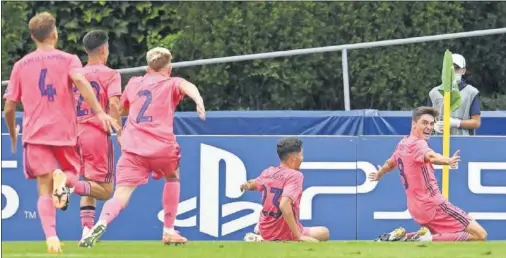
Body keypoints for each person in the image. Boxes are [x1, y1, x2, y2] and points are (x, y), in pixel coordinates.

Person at [2, 12, 120, 253]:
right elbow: (82, 83)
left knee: (44, 189)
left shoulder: (20, 65)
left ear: (32, 36)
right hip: (68, 132)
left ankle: (52, 237)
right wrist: (99, 112)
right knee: (90, 184)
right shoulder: (69, 60)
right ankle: (67, 184)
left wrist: (14, 134)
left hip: (37, 133)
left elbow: (9, 107)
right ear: (55, 34)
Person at [79, 47, 206, 248]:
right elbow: (187, 86)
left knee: (121, 194)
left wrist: (119, 128)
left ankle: (101, 223)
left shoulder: (134, 83)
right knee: (172, 176)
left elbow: (121, 108)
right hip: (161, 147)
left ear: (148, 66)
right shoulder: (171, 82)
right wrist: (198, 100)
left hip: (133, 148)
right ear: (169, 67)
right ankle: (168, 230)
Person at [368, 106, 487, 242]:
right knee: (480, 235)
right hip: (433, 205)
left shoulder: (403, 143)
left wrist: (379, 174)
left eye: (431, 123)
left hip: (416, 209)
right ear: (414, 124)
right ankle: (422, 238)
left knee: (443, 241)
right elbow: (431, 156)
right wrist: (447, 160)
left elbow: (390, 164)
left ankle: (403, 237)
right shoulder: (418, 144)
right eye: (424, 123)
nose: (429, 127)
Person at [74, 30, 123, 240]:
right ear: (104, 49)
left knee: (89, 185)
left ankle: (86, 230)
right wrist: (119, 131)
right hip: (95, 133)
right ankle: (67, 186)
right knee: (105, 190)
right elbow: (113, 103)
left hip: (73, 134)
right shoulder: (111, 74)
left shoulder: (75, 74)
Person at [239, 137, 330, 242]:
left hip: (266, 227)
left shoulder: (268, 172)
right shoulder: (295, 176)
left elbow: (254, 183)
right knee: (324, 233)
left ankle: (261, 233)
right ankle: (268, 239)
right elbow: (284, 204)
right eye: (301, 154)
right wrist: (299, 236)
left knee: (261, 225)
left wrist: (246, 185)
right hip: (283, 231)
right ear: (293, 158)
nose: (302, 158)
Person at [427, 53, 481, 135]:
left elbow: (476, 122)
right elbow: (426, 119)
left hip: (463, 141)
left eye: (457, 68)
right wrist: (433, 126)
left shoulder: (471, 92)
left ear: (463, 71)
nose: (452, 71)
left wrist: (456, 123)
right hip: (438, 141)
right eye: (449, 68)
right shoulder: (434, 92)